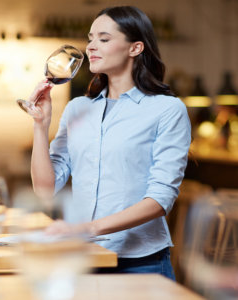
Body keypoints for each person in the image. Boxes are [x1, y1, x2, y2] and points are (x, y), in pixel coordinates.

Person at [27, 6, 191, 280]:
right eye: (90, 38)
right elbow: (45, 188)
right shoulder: (77, 108)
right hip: (84, 261)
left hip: (142, 265)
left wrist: (86, 228)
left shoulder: (167, 110)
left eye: (104, 39)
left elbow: (160, 199)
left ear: (135, 48)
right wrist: (40, 126)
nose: (91, 46)